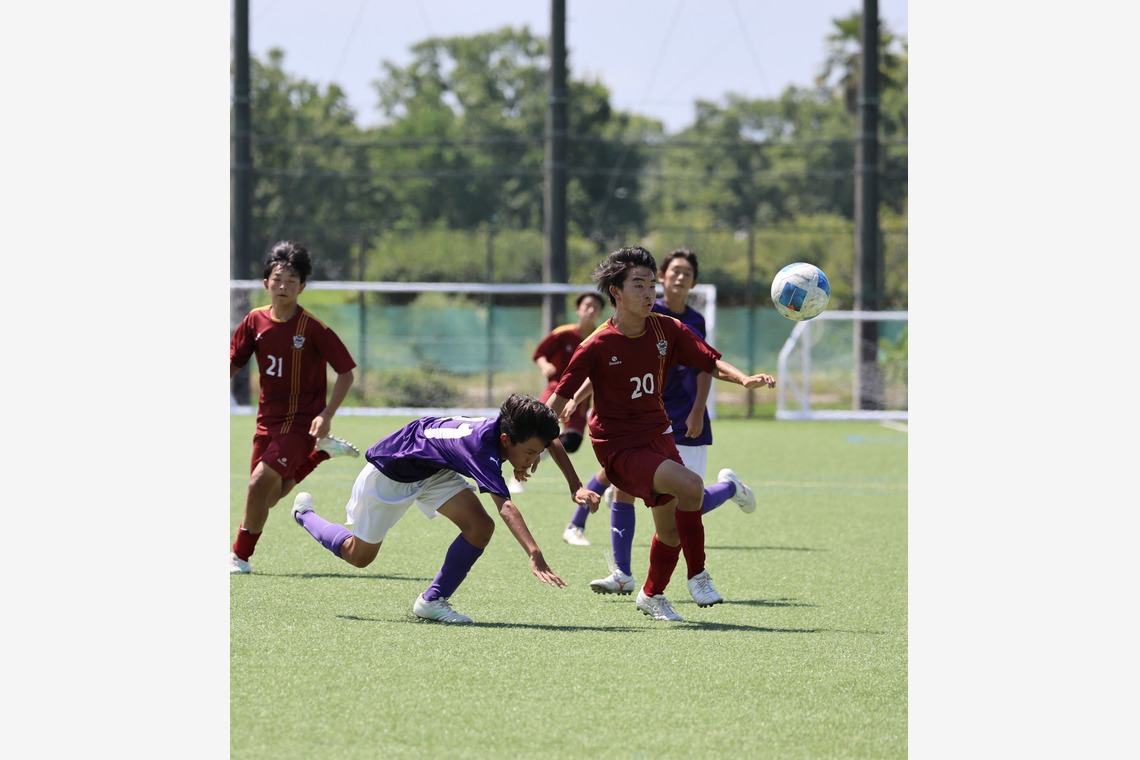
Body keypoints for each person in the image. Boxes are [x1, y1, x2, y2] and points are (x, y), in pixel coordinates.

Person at [546, 245, 775, 622]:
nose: (649, 292)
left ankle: (651, 594)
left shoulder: (666, 328)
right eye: (639, 285)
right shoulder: (597, 344)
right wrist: (528, 444)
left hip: (659, 436)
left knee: (669, 533)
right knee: (691, 486)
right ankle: (698, 575)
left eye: (652, 284)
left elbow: (709, 360)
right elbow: (558, 400)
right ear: (616, 291)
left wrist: (743, 379)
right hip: (619, 447)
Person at [290, 393, 602, 624]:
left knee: (480, 527)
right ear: (506, 440)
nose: (534, 458)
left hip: (434, 469)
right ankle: (306, 515)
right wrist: (534, 554)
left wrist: (575, 485)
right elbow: (506, 507)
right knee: (358, 555)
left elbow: (553, 441)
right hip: (392, 473)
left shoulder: (514, 428)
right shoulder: (483, 450)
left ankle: (432, 600)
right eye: (531, 453)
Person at [586, 247, 758, 596]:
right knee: (627, 487)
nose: (679, 278)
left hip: (685, 416)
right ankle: (624, 573)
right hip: (645, 419)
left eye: (688, 273)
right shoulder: (643, 310)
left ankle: (728, 489)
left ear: (694, 282)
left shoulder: (688, 322)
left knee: (686, 496)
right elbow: (605, 356)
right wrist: (579, 396)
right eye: (673, 272)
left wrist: (699, 409)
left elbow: (704, 362)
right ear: (660, 277)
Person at [229, 240, 361, 575]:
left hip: (302, 422)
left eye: (291, 279)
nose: (283, 285)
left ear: (302, 286)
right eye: (277, 278)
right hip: (267, 421)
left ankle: (239, 557)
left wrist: (326, 415)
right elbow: (234, 362)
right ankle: (321, 455)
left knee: (259, 483)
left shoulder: (312, 328)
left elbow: (346, 372)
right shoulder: (254, 322)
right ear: (265, 284)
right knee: (269, 497)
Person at [525, 290, 609, 545]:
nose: (591, 310)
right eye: (587, 306)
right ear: (578, 309)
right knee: (538, 431)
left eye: (596, 307)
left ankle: (545, 451)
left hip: (581, 394)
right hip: (557, 390)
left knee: (571, 442)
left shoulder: (602, 335)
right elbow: (539, 353)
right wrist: (544, 366)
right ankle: (521, 467)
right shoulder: (563, 333)